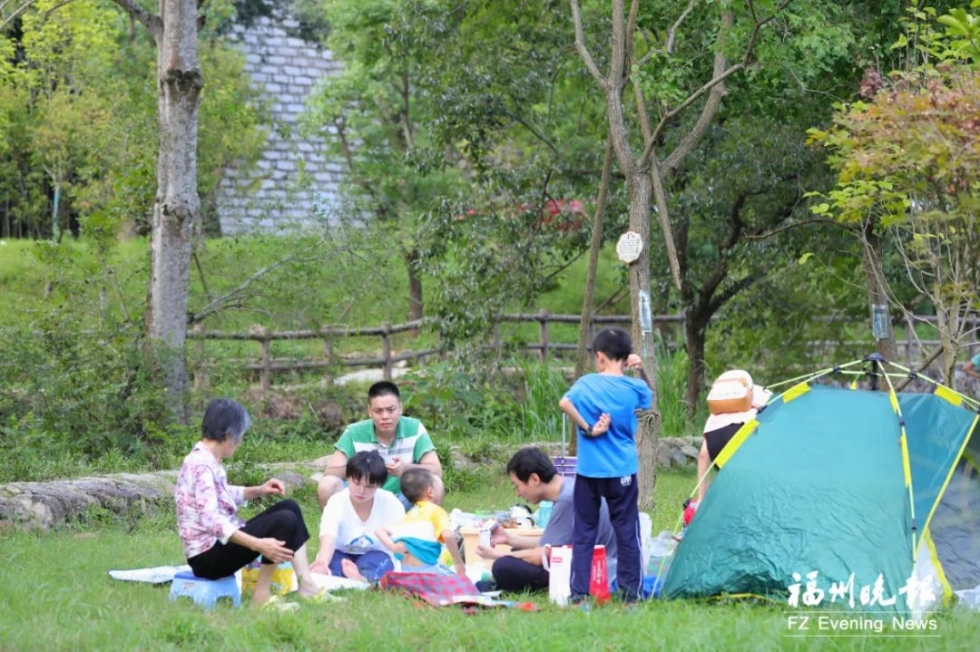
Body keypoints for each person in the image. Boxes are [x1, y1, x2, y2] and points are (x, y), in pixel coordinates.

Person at [175, 398, 324, 606]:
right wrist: (259, 544)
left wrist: (259, 490)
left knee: (290, 507)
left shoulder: (206, 459)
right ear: (229, 436)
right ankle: (261, 597)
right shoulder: (201, 465)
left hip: (217, 547)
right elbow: (211, 519)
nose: (241, 442)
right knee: (285, 520)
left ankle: (306, 584)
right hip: (207, 557)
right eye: (241, 436)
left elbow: (221, 493)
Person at [558, 327, 653, 603]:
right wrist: (641, 370)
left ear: (600, 356)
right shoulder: (634, 387)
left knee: (583, 532)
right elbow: (649, 394)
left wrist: (589, 429)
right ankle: (631, 595)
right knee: (627, 532)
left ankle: (579, 595)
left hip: (589, 471)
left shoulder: (586, 383)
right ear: (626, 356)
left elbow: (564, 403)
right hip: (622, 470)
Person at [475, 447, 618, 594]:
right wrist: (508, 538)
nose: (517, 493)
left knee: (502, 566)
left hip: (596, 572)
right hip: (594, 562)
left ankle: (522, 587)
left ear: (534, 479)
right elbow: (551, 543)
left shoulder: (567, 501)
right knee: (517, 552)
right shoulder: (570, 488)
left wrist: (496, 555)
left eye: (517, 486)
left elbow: (541, 555)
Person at [317, 381, 443, 510]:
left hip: (404, 498)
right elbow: (330, 472)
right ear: (369, 411)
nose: (385, 416)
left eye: (391, 410)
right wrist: (363, 468)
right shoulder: (353, 433)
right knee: (327, 484)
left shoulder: (415, 428)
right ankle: (339, 523)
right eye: (378, 411)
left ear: (400, 408)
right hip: (363, 498)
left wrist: (405, 468)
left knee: (435, 482)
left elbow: (436, 470)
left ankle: (424, 522)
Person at [311, 451, 406, 583]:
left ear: (379, 485)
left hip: (377, 554)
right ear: (348, 478)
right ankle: (345, 576)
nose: (361, 491)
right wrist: (322, 563)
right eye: (356, 483)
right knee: (334, 566)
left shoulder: (391, 503)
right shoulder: (337, 501)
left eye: (369, 487)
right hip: (340, 553)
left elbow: (400, 540)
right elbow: (328, 538)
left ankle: (361, 578)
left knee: (375, 565)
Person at [695, 374, 772, 505]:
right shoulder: (755, 407)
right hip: (743, 437)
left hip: (716, 444)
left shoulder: (713, 418)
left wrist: (701, 498)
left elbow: (703, 456)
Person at [376, 468, 466, 577]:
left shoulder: (408, 516)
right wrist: (458, 561)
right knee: (462, 582)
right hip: (428, 570)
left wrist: (392, 547)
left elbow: (379, 531)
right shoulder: (437, 511)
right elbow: (447, 535)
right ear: (430, 492)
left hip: (405, 572)